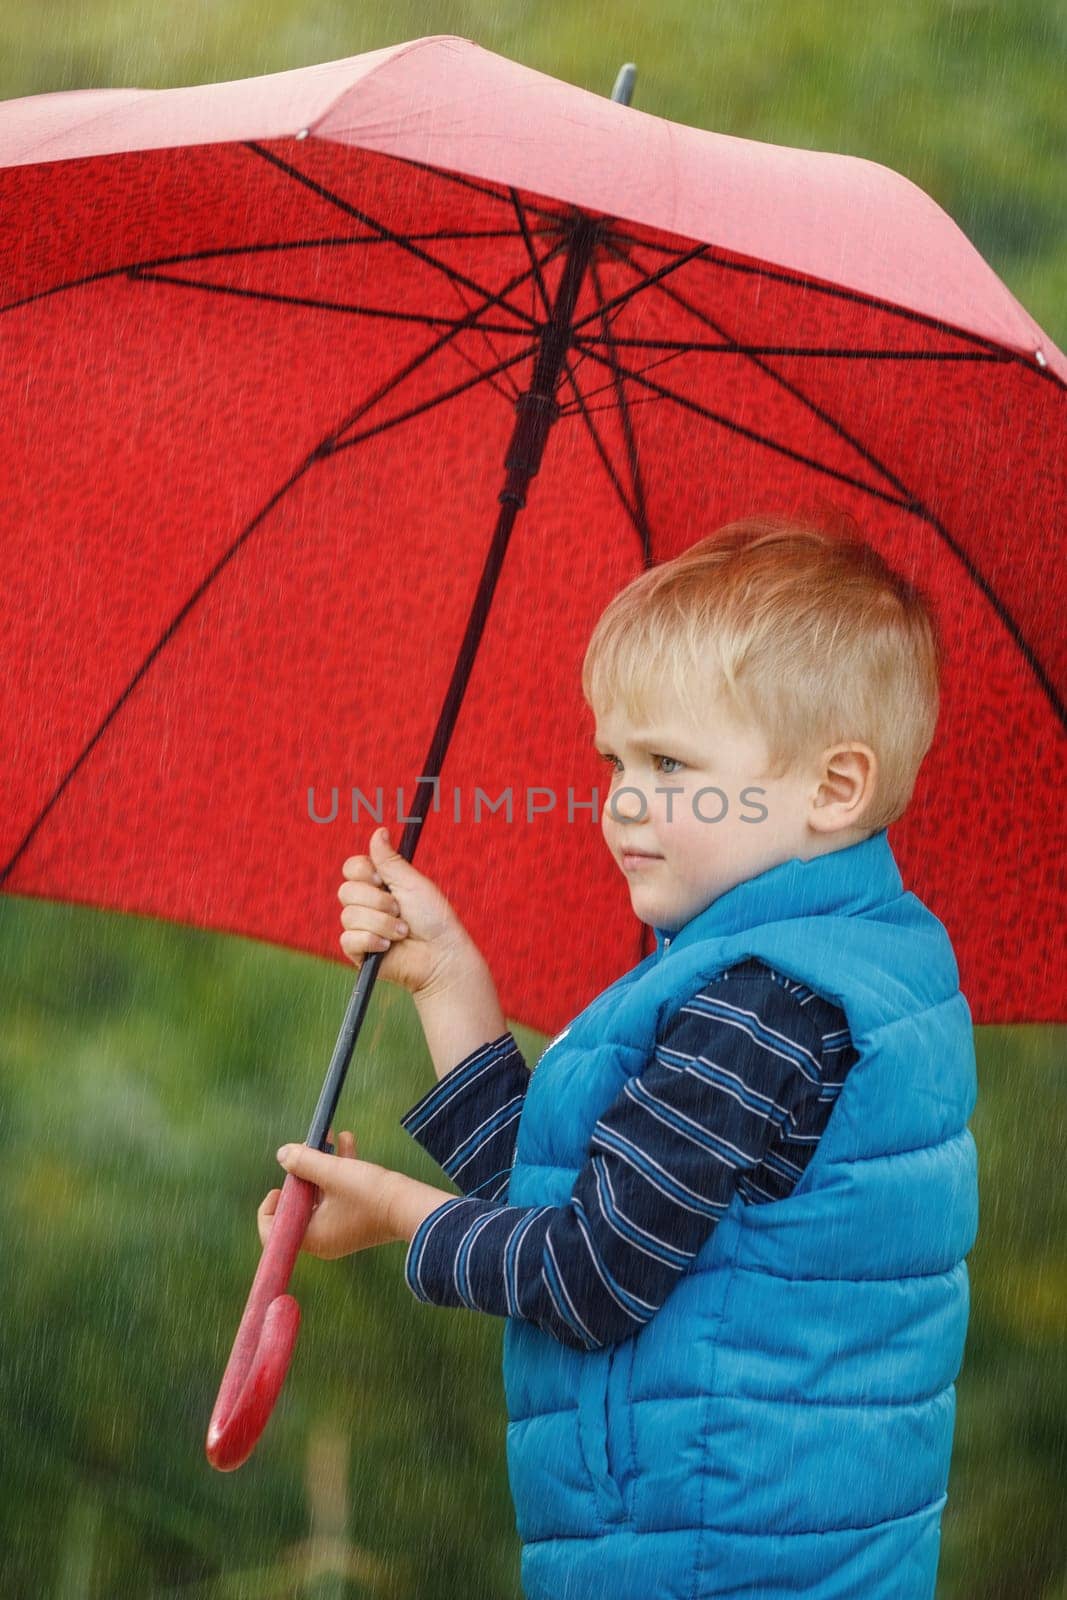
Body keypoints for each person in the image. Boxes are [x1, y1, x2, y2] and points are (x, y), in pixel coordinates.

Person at [260, 514, 979, 1600]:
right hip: (711, 1540)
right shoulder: (792, 968)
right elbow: (557, 1201)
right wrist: (449, 981)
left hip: (716, 1554)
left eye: (669, 763)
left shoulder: (762, 1006)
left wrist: (401, 1216)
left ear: (832, 787)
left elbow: (587, 1277)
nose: (621, 802)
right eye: (613, 760)